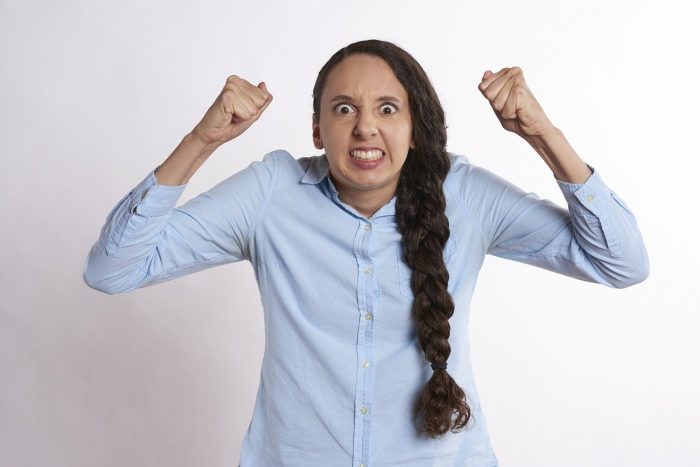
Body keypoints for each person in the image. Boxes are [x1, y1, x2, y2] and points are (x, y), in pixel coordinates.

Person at [83, 39, 650, 467]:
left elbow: (620, 263)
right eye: (343, 109)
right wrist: (201, 141)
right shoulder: (272, 193)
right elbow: (112, 269)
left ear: (415, 127)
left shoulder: (466, 196)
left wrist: (542, 134)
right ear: (316, 129)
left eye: (387, 109)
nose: (364, 129)